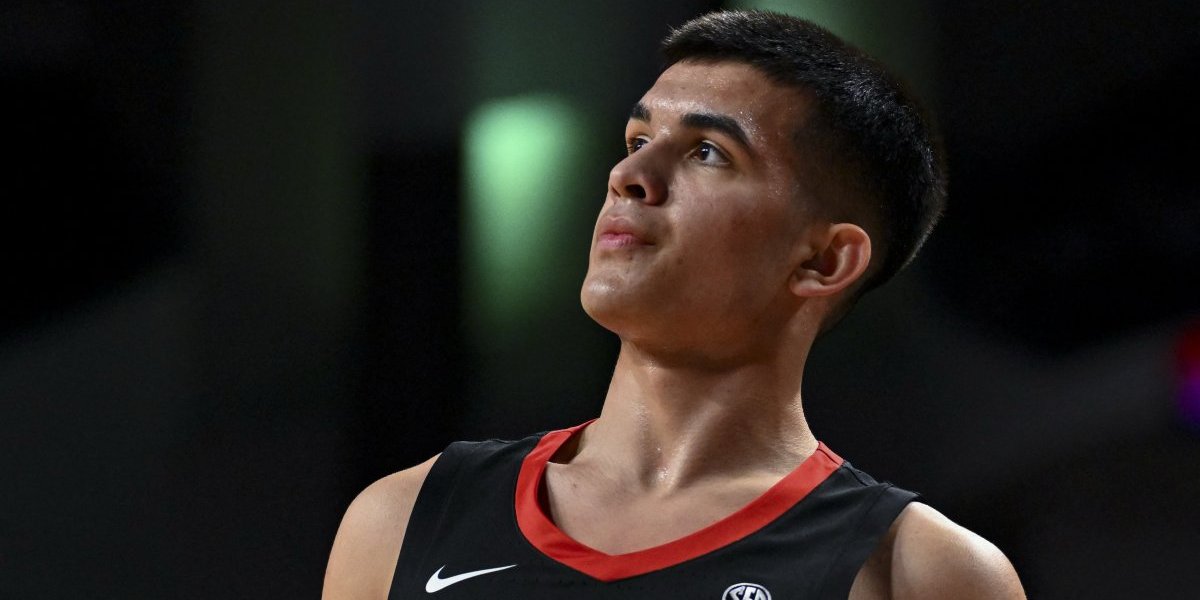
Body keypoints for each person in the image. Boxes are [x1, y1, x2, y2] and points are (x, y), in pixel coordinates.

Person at [324, 10, 1025, 599]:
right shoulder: (404, 519)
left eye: (708, 152)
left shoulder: (920, 572)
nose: (629, 175)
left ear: (823, 260)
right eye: (638, 140)